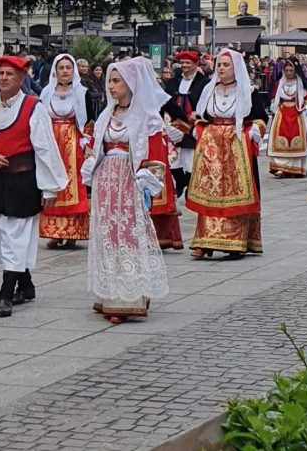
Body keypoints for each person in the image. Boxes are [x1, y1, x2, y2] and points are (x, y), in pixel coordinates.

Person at [0, 55, 68, 317]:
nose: (3, 78)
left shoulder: (34, 107)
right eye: (0, 74)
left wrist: (49, 188)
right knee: (1, 235)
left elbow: (45, 149)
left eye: (10, 74)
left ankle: (5, 294)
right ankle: (26, 285)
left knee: (15, 235)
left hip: (23, 179)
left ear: (22, 78)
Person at [82, 58, 169, 323]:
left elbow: (156, 152)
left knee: (129, 234)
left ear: (131, 84)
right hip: (106, 181)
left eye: (116, 81)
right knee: (108, 233)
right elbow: (95, 147)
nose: (111, 86)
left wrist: (144, 180)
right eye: (109, 80)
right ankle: (108, 292)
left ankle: (129, 296)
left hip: (130, 182)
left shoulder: (146, 117)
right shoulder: (106, 115)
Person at [187, 49, 267, 260]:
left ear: (236, 68)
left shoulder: (247, 91)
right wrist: (199, 127)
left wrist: (254, 131)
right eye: (219, 65)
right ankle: (204, 241)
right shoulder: (209, 89)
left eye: (225, 65)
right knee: (209, 191)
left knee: (234, 192)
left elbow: (260, 118)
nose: (221, 68)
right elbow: (201, 115)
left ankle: (235, 240)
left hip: (236, 147)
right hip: (212, 148)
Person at [38, 52, 90, 250]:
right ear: (55, 71)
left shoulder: (81, 92)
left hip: (73, 142)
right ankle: (53, 232)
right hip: (52, 141)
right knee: (52, 183)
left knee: (72, 185)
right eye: (61, 68)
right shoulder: (46, 92)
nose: (65, 71)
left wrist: (87, 142)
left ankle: (73, 232)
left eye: (68, 67)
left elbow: (89, 120)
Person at [163, 50, 209, 198]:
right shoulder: (172, 81)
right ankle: (180, 181)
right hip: (174, 122)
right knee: (173, 157)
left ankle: (190, 186)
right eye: (182, 62)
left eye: (188, 63)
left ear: (196, 64)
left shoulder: (203, 83)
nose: (184, 65)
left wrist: (198, 114)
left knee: (190, 157)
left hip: (192, 123)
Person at [267, 56, 307, 178]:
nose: (288, 73)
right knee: (281, 139)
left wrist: (306, 109)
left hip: (297, 112)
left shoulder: (300, 84)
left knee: (295, 140)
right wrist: (273, 106)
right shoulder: (279, 83)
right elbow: (274, 98)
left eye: (291, 70)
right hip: (282, 113)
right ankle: (281, 168)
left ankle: (295, 167)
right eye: (286, 70)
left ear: (295, 70)